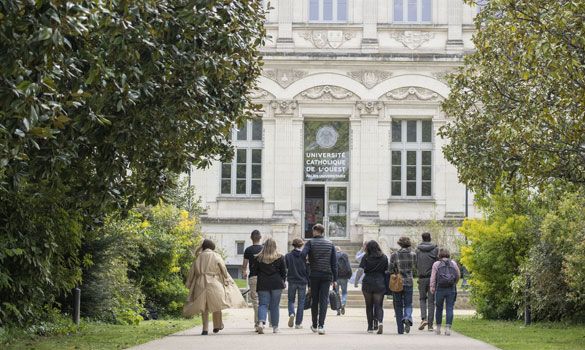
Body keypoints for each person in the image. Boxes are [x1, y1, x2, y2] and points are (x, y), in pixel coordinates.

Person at [184, 239, 247, 335]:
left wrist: (188, 284)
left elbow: (192, 272)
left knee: (204, 307)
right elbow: (223, 269)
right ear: (212, 247)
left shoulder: (198, 257)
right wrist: (226, 278)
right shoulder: (216, 256)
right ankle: (217, 325)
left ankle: (205, 329)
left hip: (200, 283)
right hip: (214, 281)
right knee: (217, 303)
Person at [301, 223, 338, 335]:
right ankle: (322, 325)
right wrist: (335, 279)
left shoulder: (310, 242)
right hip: (327, 275)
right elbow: (334, 263)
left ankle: (315, 325)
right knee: (323, 300)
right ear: (322, 232)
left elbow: (302, 255)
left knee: (315, 300)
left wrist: (308, 263)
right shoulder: (330, 244)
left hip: (314, 274)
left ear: (315, 231)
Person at [354, 240, 388, 334]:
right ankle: (379, 322)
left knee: (369, 306)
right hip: (380, 282)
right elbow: (387, 271)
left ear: (368, 248)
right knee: (379, 305)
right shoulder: (384, 257)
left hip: (368, 282)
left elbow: (360, 270)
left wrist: (356, 281)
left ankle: (370, 327)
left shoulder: (366, 257)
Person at [255, 238, 287, 334]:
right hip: (276, 283)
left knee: (263, 304)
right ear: (275, 246)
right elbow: (283, 272)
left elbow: (255, 272)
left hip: (263, 283)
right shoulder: (280, 257)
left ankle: (261, 322)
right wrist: (283, 282)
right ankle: (275, 327)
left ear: (264, 246)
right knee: (275, 306)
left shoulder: (258, 258)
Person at [390, 236, 417, 334]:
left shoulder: (394, 255)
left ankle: (400, 329)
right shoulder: (413, 254)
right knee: (408, 303)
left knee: (398, 305)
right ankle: (407, 317)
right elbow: (415, 267)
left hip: (398, 282)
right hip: (409, 281)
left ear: (399, 244)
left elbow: (390, 269)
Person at [431, 248, 461, 336]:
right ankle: (448, 328)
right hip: (451, 288)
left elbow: (433, 277)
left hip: (440, 288)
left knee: (439, 308)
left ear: (439, 255)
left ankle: (438, 328)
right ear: (448, 254)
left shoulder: (436, 264)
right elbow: (458, 275)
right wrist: (454, 283)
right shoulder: (453, 263)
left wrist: (432, 287)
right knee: (450, 308)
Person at [415, 232, 438, 331]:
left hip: (421, 277)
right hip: (432, 278)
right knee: (431, 301)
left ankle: (423, 318)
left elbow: (415, 264)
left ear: (422, 238)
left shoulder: (418, 250)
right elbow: (437, 263)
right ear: (430, 238)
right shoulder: (435, 249)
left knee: (422, 299)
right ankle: (430, 325)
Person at [285, 238, 309, 329]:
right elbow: (308, 271)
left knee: (291, 300)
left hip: (292, 280)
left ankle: (291, 313)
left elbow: (285, 268)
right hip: (302, 281)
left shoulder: (288, 256)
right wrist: (309, 284)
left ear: (293, 245)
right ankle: (298, 323)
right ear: (301, 245)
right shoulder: (305, 256)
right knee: (301, 302)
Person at [242, 230, 263, 329]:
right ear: (260, 237)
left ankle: (257, 322)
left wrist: (244, 272)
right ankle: (263, 322)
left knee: (255, 300)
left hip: (253, 276)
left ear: (251, 238)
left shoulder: (248, 250)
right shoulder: (264, 249)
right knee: (264, 300)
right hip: (264, 277)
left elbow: (244, 265)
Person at [335, 246, 352, 315]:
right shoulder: (345, 255)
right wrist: (349, 275)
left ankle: (338, 309)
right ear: (340, 250)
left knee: (336, 293)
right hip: (344, 277)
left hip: (336, 278)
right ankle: (343, 303)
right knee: (344, 292)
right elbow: (348, 266)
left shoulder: (333, 255)